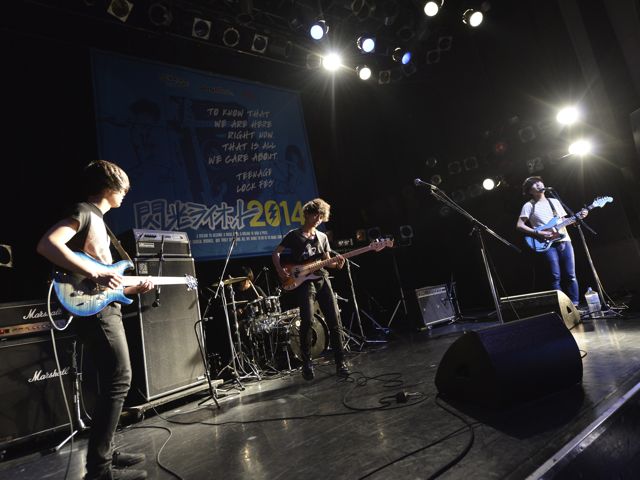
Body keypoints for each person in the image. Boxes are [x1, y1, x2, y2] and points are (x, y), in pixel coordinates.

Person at [37, 160, 152, 480]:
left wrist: (132, 287)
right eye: (124, 188)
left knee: (110, 380)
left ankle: (106, 451)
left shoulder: (100, 222)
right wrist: (95, 272)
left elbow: (105, 284)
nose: (126, 194)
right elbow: (47, 244)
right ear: (109, 186)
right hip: (97, 314)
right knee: (120, 377)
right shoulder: (85, 211)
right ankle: (99, 471)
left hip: (103, 307)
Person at [271, 198, 349, 380]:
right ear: (307, 214)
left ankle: (341, 363)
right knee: (307, 320)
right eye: (316, 215)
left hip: (322, 279)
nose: (318, 219)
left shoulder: (322, 237)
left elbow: (327, 262)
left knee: (334, 321)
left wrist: (337, 265)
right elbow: (276, 253)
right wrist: (280, 271)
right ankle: (307, 363)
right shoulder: (294, 235)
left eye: (321, 216)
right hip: (305, 282)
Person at [516, 176, 588, 308]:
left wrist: (578, 218)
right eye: (534, 184)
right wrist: (538, 232)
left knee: (571, 274)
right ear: (530, 191)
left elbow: (564, 221)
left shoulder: (554, 201)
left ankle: (575, 305)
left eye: (539, 182)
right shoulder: (529, 205)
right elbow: (520, 225)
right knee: (555, 276)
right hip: (547, 243)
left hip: (564, 240)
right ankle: (562, 307)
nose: (539, 184)